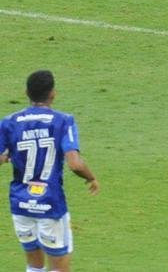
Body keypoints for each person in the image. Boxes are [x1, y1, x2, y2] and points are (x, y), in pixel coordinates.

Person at [0, 70, 99, 272]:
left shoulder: (9, 122)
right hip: (50, 203)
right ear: (53, 93)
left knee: (34, 265)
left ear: (26, 92)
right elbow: (75, 164)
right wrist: (91, 177)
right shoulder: (63, 121)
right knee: (59, 267)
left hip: (20, 203)